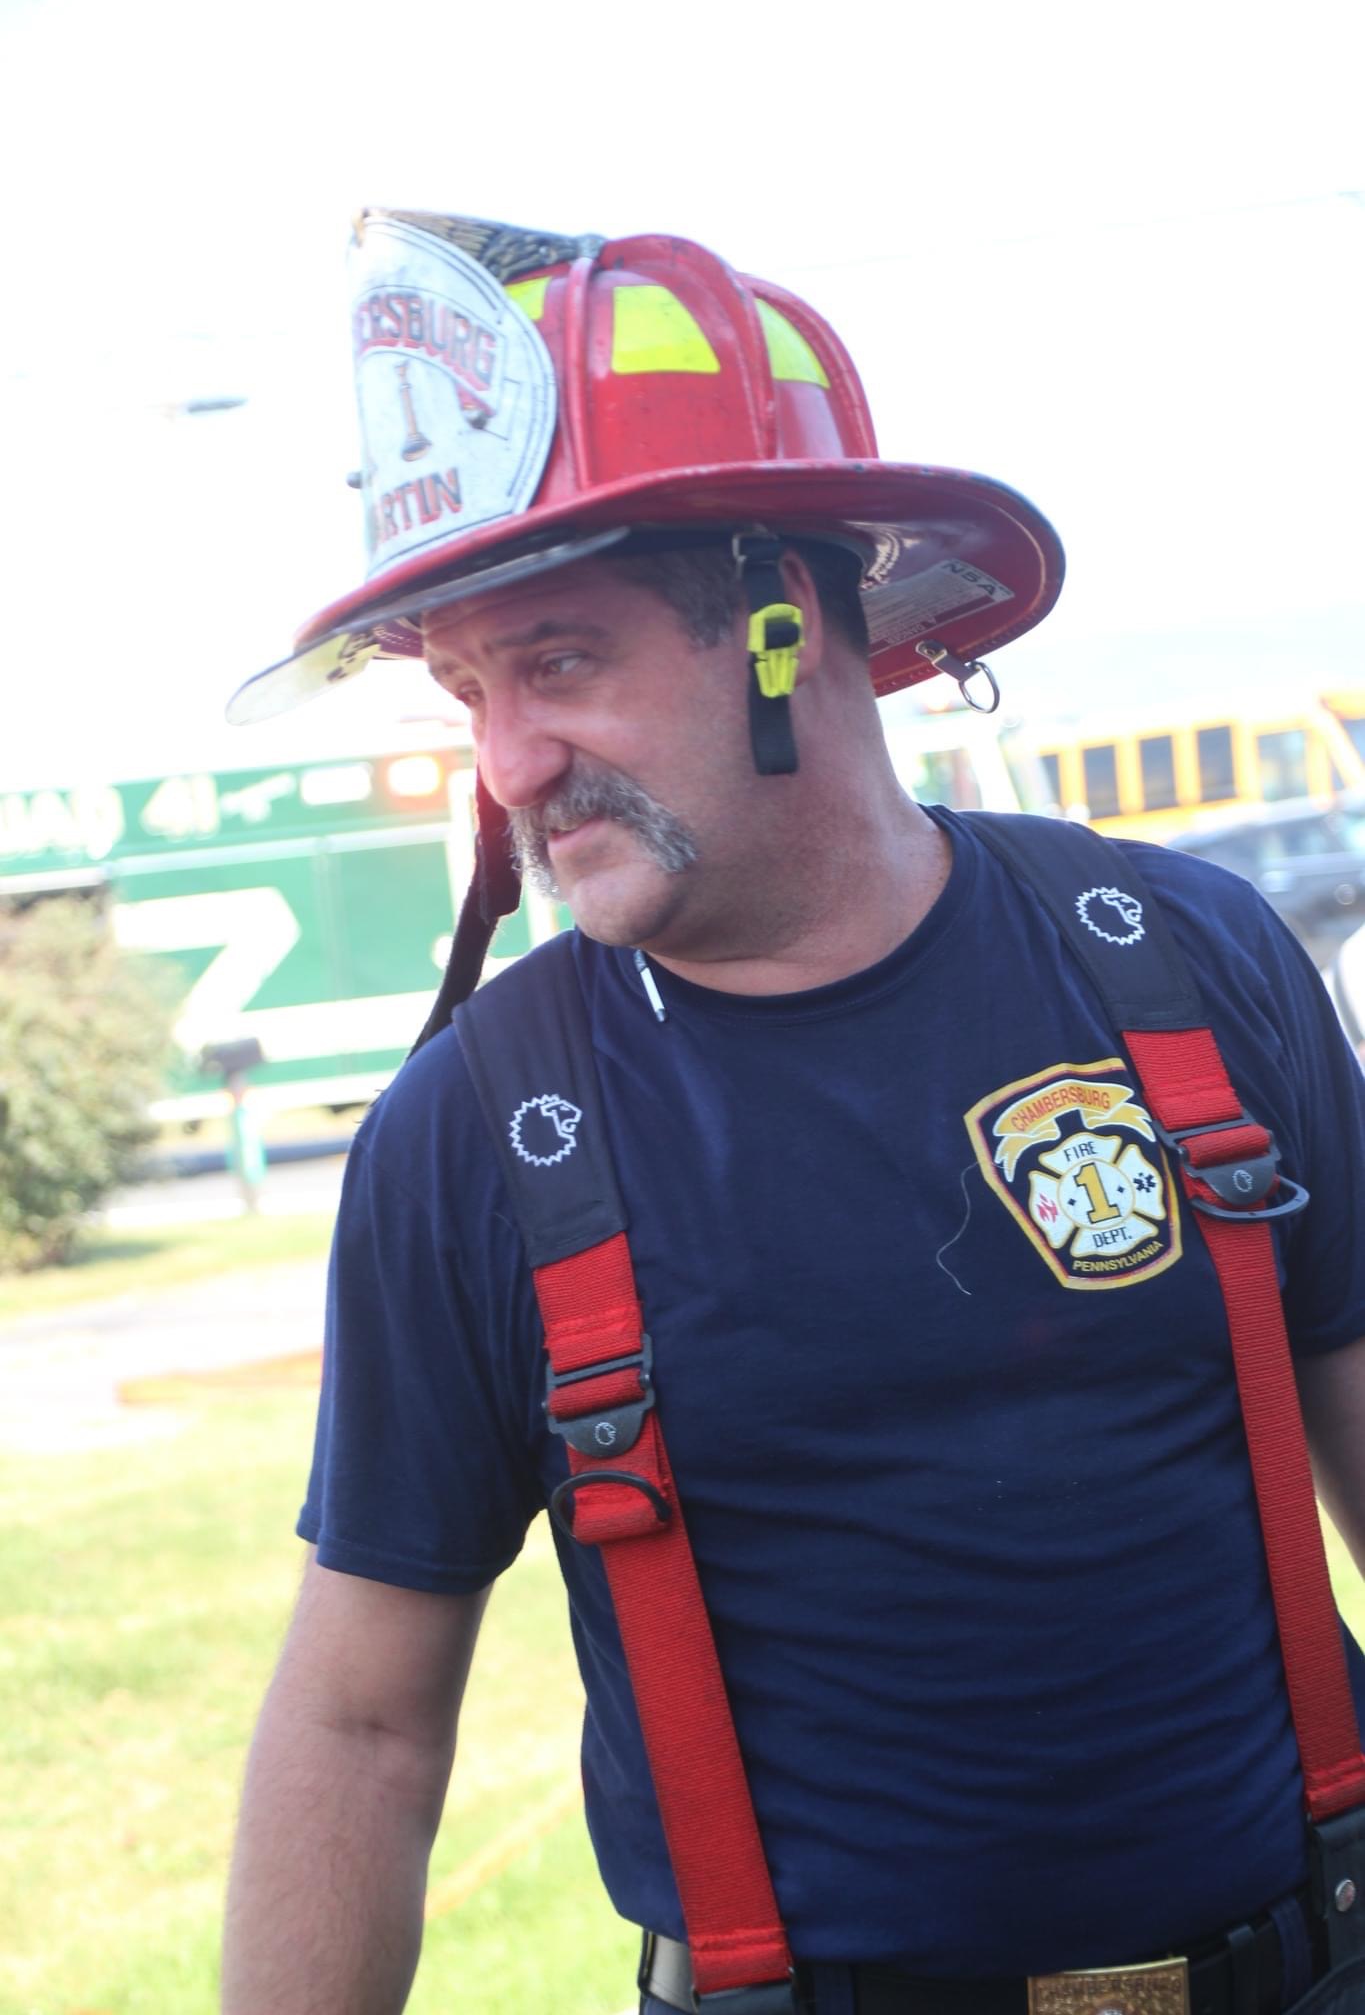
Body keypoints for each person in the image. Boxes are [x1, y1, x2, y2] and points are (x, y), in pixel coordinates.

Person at [221, 211, 1365, 2015]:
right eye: (470, 691)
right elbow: (362, 1729)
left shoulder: (1182, 959)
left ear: (786, 622)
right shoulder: (473, 1135)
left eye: (560, 662)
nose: (507, 764)